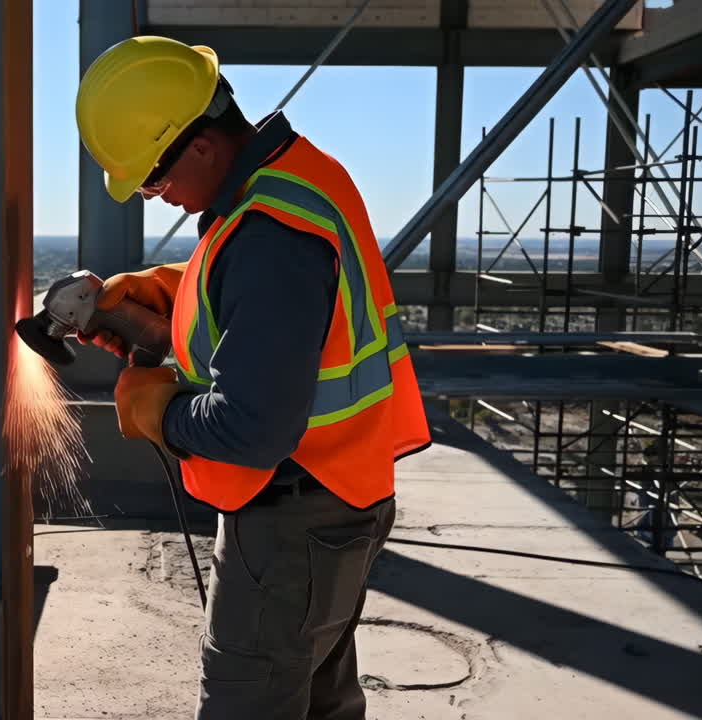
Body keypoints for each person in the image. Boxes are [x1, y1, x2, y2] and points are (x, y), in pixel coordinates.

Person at [73, 36, 431, 720]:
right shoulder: (294, 179)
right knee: (318, 700)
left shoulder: (269, 233)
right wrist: (165, 300)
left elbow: (253, 426)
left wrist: (160, 411)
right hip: (335, 501)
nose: (155, 196)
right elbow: (273, 309)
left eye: (152, 178)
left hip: (294, 519)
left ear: (202, 145)